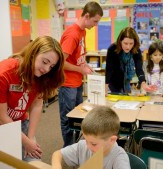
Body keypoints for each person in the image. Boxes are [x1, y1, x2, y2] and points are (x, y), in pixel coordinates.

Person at [0, 36, 65, 162]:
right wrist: (26, 142)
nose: (46, 69)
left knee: (32, 162)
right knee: (1, 163)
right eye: (45, 62)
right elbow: (1, 116)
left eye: (51, 66)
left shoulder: (41, 76)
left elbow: (37, 105)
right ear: (33, 53)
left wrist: (31, 138)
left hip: (19, 122)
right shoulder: (1, 74)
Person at [58, 1, 103, 148]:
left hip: (76, 83)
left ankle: (76, 146)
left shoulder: (83, 31)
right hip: (67, 84)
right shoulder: (72, 35)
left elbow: (77, 57)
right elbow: (60, 63)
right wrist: (80, 70)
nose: (95, 25)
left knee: (78, 117)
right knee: (68, 120)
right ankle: (68, 149)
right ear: (87, 16)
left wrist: (84, 65)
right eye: (95, 21)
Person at [52, 106, 130, 169]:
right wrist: (56, 166)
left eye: (93, 144)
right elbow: (57, 154)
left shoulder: (119, 158)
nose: (88, 146)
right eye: (85, 140)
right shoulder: (83, 146)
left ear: (112, 140)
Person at [105, 27, 157, 95]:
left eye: (131, 43)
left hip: (127, 81)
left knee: (126, 98)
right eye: (125, 43)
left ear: (134, 43)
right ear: (120, 41)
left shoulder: (136, 50)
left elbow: (139, 69)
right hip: (114, 80)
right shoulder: (112, 49)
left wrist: (143, 83)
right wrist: (105, 89)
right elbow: (109, 69)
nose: (128, 47)